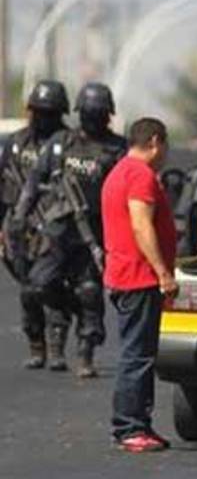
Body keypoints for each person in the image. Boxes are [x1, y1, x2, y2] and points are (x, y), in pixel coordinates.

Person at [14, 82, 126, 377]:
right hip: (57, 235)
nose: (93, 118)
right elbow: (33, 182)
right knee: (38, 285)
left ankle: (85, 353)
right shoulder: (61, 143)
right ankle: (56, 329)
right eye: (89, 112)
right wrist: (20, 215)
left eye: (99, 113)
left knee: (89, 293)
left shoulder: (118, 149)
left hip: (94, 237)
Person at [101, 117, 177, 453]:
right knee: (138, 356)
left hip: (124, 275)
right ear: (156, 141)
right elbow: (141, 226)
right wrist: (163, 272)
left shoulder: (120, 171)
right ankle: (130, 426)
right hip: (138, 277)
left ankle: (137, 424)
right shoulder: (140, 176)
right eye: (166, 148)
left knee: (138, 353)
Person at [0, 80, 70, 369]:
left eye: (50, 112)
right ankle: (36, 344)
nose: (43, 118)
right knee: (29, 290)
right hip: (18, 228)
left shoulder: (68, 143)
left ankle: (56, 349)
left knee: (51, 286)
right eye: (39, 111)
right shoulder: (15, 144)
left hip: (56, 229)